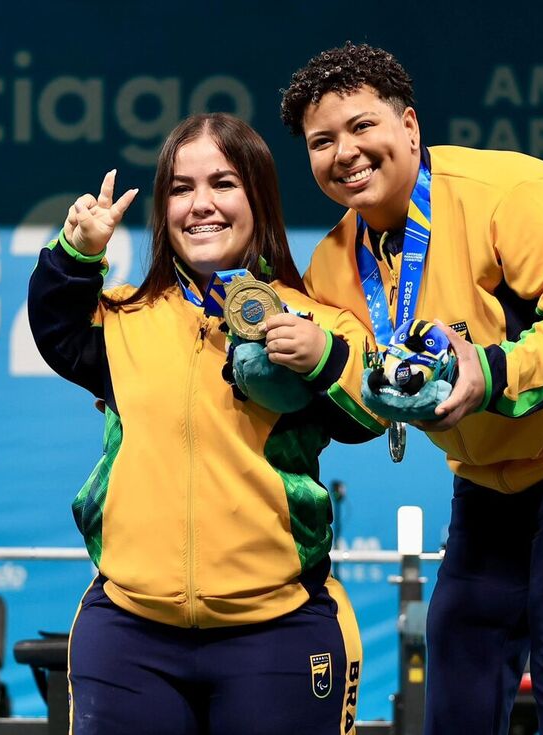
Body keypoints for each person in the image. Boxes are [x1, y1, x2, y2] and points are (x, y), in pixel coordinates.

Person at [280, 43, 543, 735]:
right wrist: (326, 360)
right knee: (460, 648)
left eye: (361, 127)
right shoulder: (332, 262)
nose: (344, 153)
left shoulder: (510, 192)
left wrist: (495, 369)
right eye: (322, 142)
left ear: (409, 126)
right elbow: (362, 390)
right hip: (493, 469)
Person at [27, 112, 385, 735]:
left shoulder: (315, 322)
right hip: (130, 634)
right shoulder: (123, 316)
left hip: (277, 632)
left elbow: (369, 415)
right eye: (181, 188)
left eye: (223, 183)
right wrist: (77, 253)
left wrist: (321, 358)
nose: (201, 205)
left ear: (259, 198)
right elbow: (54, 328)